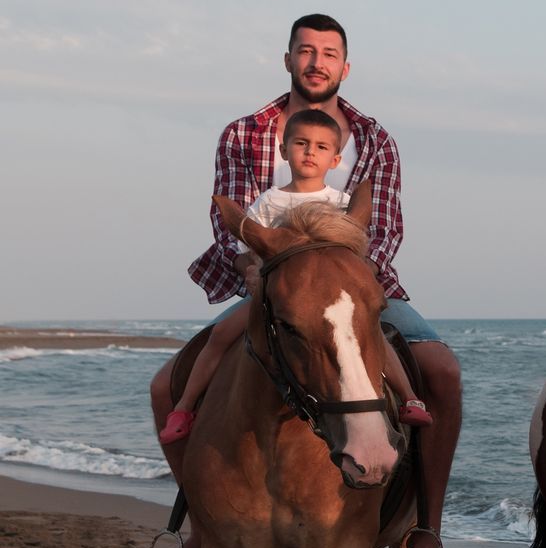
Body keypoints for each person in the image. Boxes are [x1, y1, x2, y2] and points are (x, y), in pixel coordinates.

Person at [139, 14, 463, 548]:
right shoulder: (244, 132)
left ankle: (427, 529)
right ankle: (203, 523)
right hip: (269, 285)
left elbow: (380, 231)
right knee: (166, 385)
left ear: (345, 65)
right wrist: (266, 272)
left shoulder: (376, 140)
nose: (317, 62)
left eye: (329, 53)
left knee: (442, 369)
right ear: (288, 59)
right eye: (306, 51)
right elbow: (232, 226)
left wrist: (336, 277)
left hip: (352, 283)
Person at [157, 108, 433, 443]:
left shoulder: (341, 203)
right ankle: (185, 407)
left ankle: (408, 398)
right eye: (301, 143)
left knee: (371, 334)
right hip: (278, 295)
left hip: (328, 294)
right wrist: (253, 270)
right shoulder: (270, 202)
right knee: (220, 335)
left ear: (334, 160)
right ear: (284, 151)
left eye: (320, 147)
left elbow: (352, 251)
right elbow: (252, 245)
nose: (309, 152)